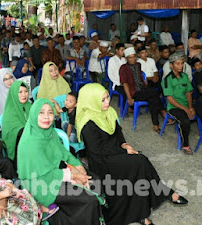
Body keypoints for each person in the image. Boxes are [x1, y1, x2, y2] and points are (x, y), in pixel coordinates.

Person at [77, 83, 188, 225]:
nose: (107, 102)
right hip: (102, 161)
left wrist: (124, 144)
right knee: (140, 162)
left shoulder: (108, 112)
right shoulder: (87, 122)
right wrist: (124, 150)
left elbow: (118, 132)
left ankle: (143, 214)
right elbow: (97, 150)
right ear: (91, 101)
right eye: (102, 100)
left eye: (107, 97)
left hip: (115, 153)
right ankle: (163, 193)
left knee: (139, 166)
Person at [18, 98, 104, 225]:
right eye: (41, 113)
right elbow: (44, 176)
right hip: (41, 185)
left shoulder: (50, 132)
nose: (46, 117)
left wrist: (79, 166)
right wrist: (75, 176)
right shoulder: (30, 143)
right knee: (88, 199)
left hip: (55, 173)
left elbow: (63, 153)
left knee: (95, 180)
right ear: (34, 114)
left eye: (50, 112)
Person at [120, 47, 166, 133]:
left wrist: (144, 82)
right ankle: (162, 111)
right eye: (130, 57)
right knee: (154, 93)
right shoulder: (123, 68)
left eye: (134, 56)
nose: (133, 59)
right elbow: (125, 84)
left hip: (143, 89)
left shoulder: (138, 65)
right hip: (134, 92)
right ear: (126, 59)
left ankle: (156, 125)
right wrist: (129, 98)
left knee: (153, 99)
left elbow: (140, 77)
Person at [161, 52, 195, 154]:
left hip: (185, 105)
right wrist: (186, 110)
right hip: (173, 106)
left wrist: (190, 107)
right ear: (171, 65)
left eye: (182, 63)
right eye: (177, 63)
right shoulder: (167, 80)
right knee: (185, 121)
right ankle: (185, 145)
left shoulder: (184, 76)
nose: (181, 66)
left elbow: (188, 93)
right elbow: (170, 99)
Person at [2, 81, 31, 170]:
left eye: (26, 91)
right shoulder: (10, 110)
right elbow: (14, 131)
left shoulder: (29, 106)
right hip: (17, 145)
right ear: (14, 93)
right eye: (20, 92)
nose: (24, 95)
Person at [0, 68, 16, 137]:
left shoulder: (17, 90)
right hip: (6, 127)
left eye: (10, 77)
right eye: (5, 79)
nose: (9, 81)